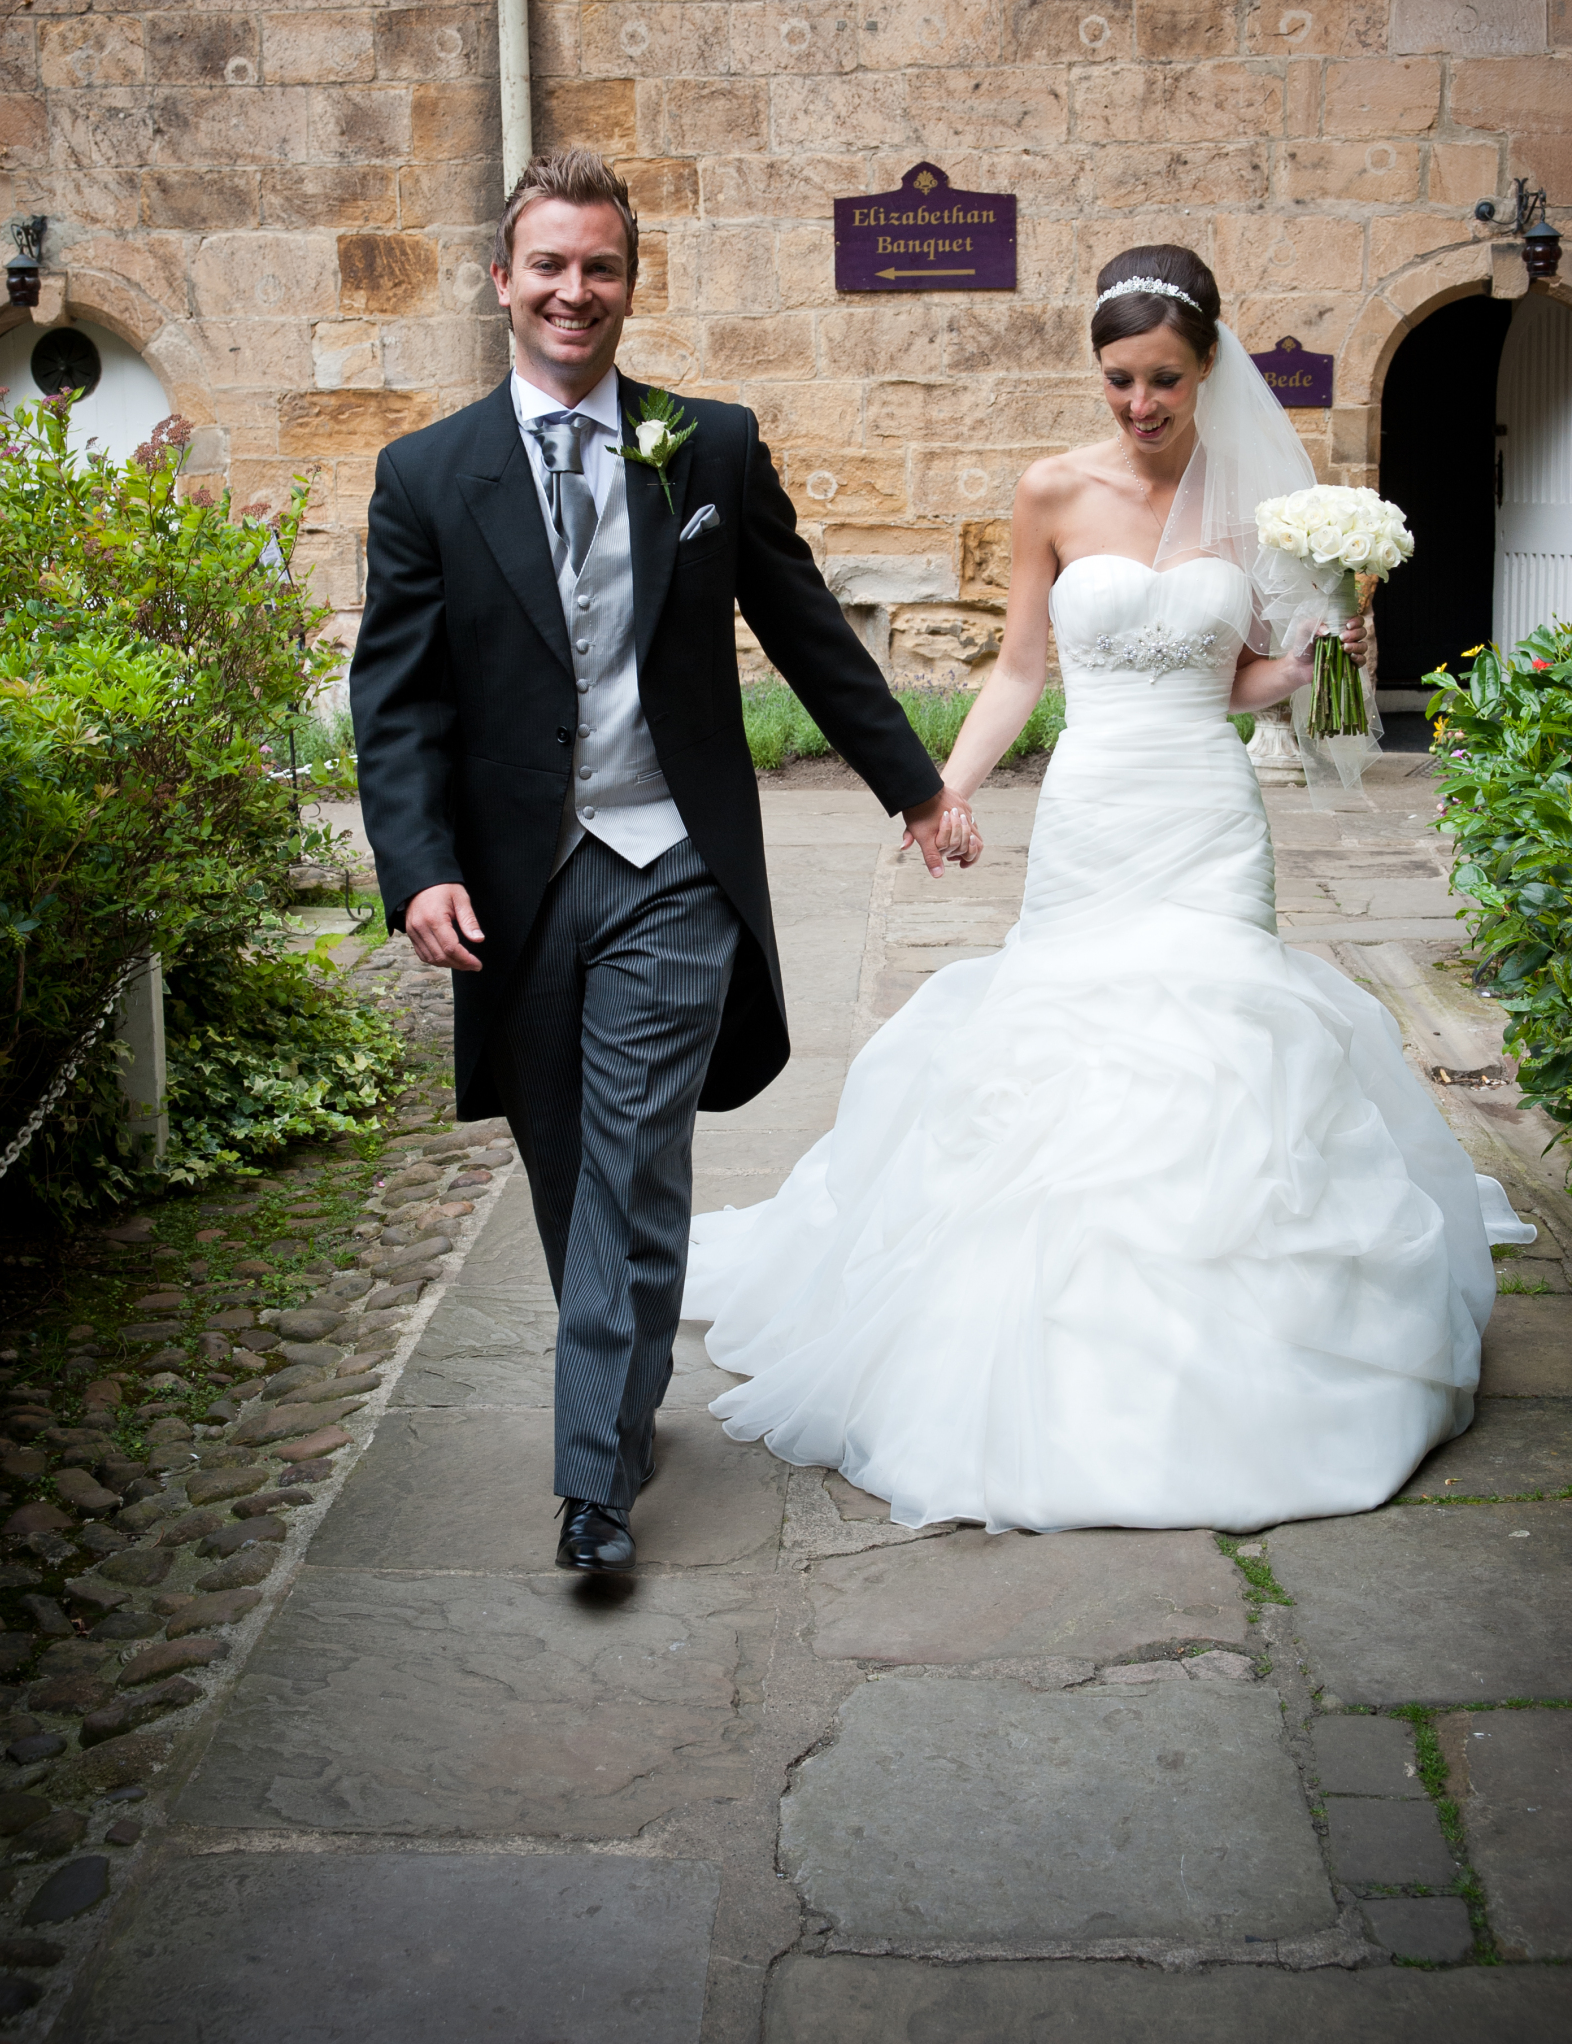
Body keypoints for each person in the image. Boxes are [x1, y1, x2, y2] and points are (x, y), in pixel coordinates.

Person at [683, 244, 1532, 1535]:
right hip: (1095, 813)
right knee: (1071, 1047)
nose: (1142, 404)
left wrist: (1324, 659)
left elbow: (1242, 680)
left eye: (1166, 381)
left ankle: (1244, 1353)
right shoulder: (1052, 492)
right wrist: (943, 789)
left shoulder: (1257, 505)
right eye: (1121, 379)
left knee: (1223, 1043)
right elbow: (1023, 669)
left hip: (1205, 816)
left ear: (1208, 369)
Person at [350, 147, 978, 1574]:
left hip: (673, 864)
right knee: (570, 1174)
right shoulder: (426, 476)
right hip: (514, 890)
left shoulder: (711, 446)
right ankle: (623, 1403)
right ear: (503, 280)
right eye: (550, 265)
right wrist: (417, 867)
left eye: (602, 267)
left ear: (633, 285)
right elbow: (397, 700)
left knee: (633, 1160)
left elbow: (807, 628)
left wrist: (916, 785)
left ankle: (593, 1485)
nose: (575, 291)